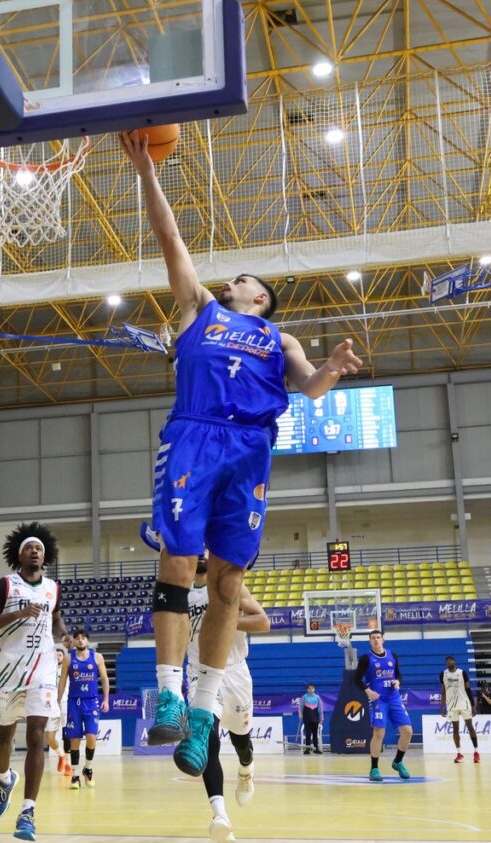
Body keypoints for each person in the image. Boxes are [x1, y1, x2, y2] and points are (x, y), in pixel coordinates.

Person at [119, 130, 362, 776]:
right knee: (178, 559)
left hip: (252, 449)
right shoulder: (199, 308)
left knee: (227, 581)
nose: (240, 277)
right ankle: (168, 694)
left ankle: (201, 716)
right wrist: (147, 171)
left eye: (251, 279)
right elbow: (171, 240)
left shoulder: (276, 337)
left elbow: (307, 385)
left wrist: (332, 370)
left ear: (261, 299)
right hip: (196, 433)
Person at [0, 522, 66, 842]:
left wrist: (64, 635)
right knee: (2, 740)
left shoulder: (53, 589)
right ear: (20, 554)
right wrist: (16, 614)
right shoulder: (5, 585)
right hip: (8, 671)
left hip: (42, 672)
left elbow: (55, 620)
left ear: (45, 557)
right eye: (30, 547)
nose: (35, 551)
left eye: (40, 548)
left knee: (36, 735)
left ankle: (28, 811)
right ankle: (5, 779)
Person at [186, 554, 270, 843]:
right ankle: (219, 816)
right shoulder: (179, 592)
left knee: (241, 742)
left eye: (204, 550)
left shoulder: (227, 586)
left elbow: (263, 622)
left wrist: (228, 619)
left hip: (234, 671)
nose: (199, 554)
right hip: (200, 672)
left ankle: (246, 770)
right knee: (206, 736)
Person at [355, 630, 412, 782]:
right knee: (379, 732)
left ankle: (398, 761)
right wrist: (367, 690)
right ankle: (374, 768)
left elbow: (398, 674)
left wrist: (398, 681)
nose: (376, 640)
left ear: (383, 640)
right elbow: (356, 678)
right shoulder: (366, 658)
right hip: (378, 699)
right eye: (373, 638)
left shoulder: (392, 655)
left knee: (407, 731)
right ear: (369, 641)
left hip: (394, 697)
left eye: (378, 637)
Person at [59, 629, 110, 789]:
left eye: (83, 638)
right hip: (74, 702)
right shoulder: (68, 658)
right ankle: (75, 776)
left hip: (91, 701)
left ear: (88, 641)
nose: (80, 640)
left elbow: (104, 678)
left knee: (91, 737)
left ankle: (88, 768)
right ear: (73, 642)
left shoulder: (97, 657)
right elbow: (62, 682)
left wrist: (106, 700)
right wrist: (57, 700)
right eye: (77, 638)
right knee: (74, 740)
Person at [440, 655, 480, 764]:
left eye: (451, 660)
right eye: (447, 661)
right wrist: (442, 705)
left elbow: (468, 689)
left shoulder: (462, 673)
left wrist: (473, 705)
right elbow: (443, 691)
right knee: (455, 729)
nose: (449, 662)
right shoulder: (443, 674)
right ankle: (459, 754)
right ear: (446, 663)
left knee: (470, 727)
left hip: (464, 703)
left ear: (454, 662)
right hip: (452, 705)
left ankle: (476, 752)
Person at [46, 648, 70, 775]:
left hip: (65, 703)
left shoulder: (67, 670)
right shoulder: (48, 671)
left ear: (64, 657)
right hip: (51, 705)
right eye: (55, 655)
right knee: (50, 737)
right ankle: (62, 756)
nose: (57, 657)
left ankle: (68, 766)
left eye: (60, 655)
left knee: (67, 735)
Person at [300, 684, 323, 754]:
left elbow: (320, 709)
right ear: (307, 689)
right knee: (308, 734)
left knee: (315, 734)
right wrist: (300, 714)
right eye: (309, 688)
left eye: (312, 688)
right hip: (307, 717)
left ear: (314, 689)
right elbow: (301, 707)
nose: (311, 690)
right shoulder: (304, 697)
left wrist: (321, 719)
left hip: (315, 718)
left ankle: (316, 748)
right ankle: (307, 749)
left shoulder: (317, 697)